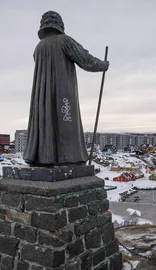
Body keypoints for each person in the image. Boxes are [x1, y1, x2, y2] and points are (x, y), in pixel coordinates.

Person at [23, 10, 109, 167]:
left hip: (42, 96)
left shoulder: (38, 47)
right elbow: (85, 59)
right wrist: (104, 65)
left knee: (46, 121)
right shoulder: (64, 41)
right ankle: (68, 157)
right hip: (62, 91)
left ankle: (42, 157)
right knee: (66, 121)